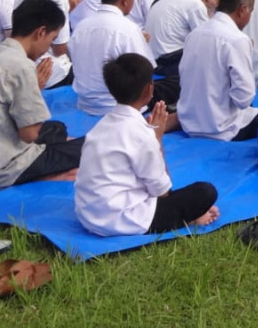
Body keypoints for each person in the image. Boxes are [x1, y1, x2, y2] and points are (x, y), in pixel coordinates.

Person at [0, 0, 85, 187]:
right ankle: (42, 175)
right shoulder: (22, 66)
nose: (48, 48)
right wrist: (35, 89)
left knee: (56, 129)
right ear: (41, 32)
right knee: (87, 147)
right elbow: (29, 134)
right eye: (51, 39)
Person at [74, 54, 218, 237]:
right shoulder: (141, 134)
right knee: (205, 192)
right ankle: (191, 219)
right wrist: (157, 139)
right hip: (123, 220)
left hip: (88, 214)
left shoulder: (99, 128)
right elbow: (162, 192)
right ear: (149, 90)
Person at [71, 0, 179, 116]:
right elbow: (145, 72)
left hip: (85, 102)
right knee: (176, 82)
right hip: (117, 104)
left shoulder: (81, 27)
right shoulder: (128, 29)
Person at [178, 0, 258, 141]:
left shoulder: (195, 33)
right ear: (242, 10)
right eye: (251, 11)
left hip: (189, 123)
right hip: (222, 128)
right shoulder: (238, 40)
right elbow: (244, 98)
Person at [145, 0, 216, 76]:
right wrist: (210, 11)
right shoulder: (193, 2)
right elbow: (206, 40)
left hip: (151, 59)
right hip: (169, 64)